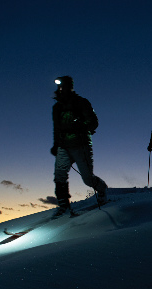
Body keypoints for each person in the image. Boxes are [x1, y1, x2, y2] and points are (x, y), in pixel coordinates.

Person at [50, 76, 108, 217]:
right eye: (59, 86)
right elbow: (56, 128)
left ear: (69, 87)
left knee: (87, 179)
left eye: (63, 86)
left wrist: (81, 125)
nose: (60, 89)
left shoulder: (81, 102)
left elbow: (94, 122)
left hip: (81, 145)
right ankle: (63, 206)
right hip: (64, 146)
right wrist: (56, 144)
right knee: (59, 176)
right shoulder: (57, 107)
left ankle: (102, 189)